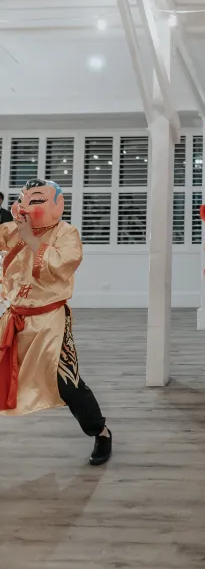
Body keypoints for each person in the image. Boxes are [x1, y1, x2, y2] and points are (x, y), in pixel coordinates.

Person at [0, 178, 112, 466]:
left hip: (49, 321)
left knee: (68, 384)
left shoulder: (66, 233)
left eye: (36, 200)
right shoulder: (11, 230)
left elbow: (60, 267)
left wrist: (31, 238)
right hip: (14, 317)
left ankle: (100, 431)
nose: (27, 206)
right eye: (24, 199)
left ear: (56, 203)